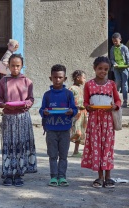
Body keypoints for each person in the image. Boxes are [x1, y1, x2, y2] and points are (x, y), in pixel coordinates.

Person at [81, 56, 121, 188]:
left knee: (108, 147)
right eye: (100, 69)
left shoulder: (111, 84)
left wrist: (115, 106)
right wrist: (88, 107)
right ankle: (99, 177)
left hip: (108, 121)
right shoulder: (89, 85)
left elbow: (118, 101)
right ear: (94, 68)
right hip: (94, 121)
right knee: (96, 147)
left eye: (105, 69)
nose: (102, 71)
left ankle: (108, 177)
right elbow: (85, 102)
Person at [0, 54, 37, 187]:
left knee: (20, 145)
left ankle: (19, 174)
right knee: (9, 145)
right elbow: (0, 99)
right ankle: (8, 174)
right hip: (8, 117)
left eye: (18, 66)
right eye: (12, 65)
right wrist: (2, 104)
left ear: (21, 66)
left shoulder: (27, 81)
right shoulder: (3, 81)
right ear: (8, 66)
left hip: (22, 117)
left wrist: (26, 103)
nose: (15, 68)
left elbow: (31, 99)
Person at [39, 64, 78, 187]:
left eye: (60, 77)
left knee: (63, 155)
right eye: (55, 77)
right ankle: (53, 177)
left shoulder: (68, 94)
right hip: (51, 130)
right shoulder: (47, 95)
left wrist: (71, 111)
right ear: (50, 78)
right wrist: (44, 112)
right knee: (52, 155)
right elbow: (41, 110)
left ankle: (62, 177)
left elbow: (74, 109)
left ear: (65, 78)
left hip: (65, 130)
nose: (57, 80)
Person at [69, 70, 87, 157]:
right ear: (78, 78)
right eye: (84, 78)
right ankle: (64, 143)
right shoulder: (71, 89)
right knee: (77, 132)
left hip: (83, 113)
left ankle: (76, 151)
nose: (85, 80)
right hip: (76, 113)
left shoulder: (81, 89)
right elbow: (69, 101)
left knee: (81, 131)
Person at [109, 32, 129, 108]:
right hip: (116, 68)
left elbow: (127, 58)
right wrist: (114, 64)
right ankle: (117, 100)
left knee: (124, 84)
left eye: (116, 41)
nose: (114, 42)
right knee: (117, 82)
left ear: (120, 40)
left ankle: (125, 100)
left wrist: (127, 66)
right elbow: (112, 59)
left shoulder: (124, 48)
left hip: (124, 68)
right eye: (113, 41)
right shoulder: (112, 48)